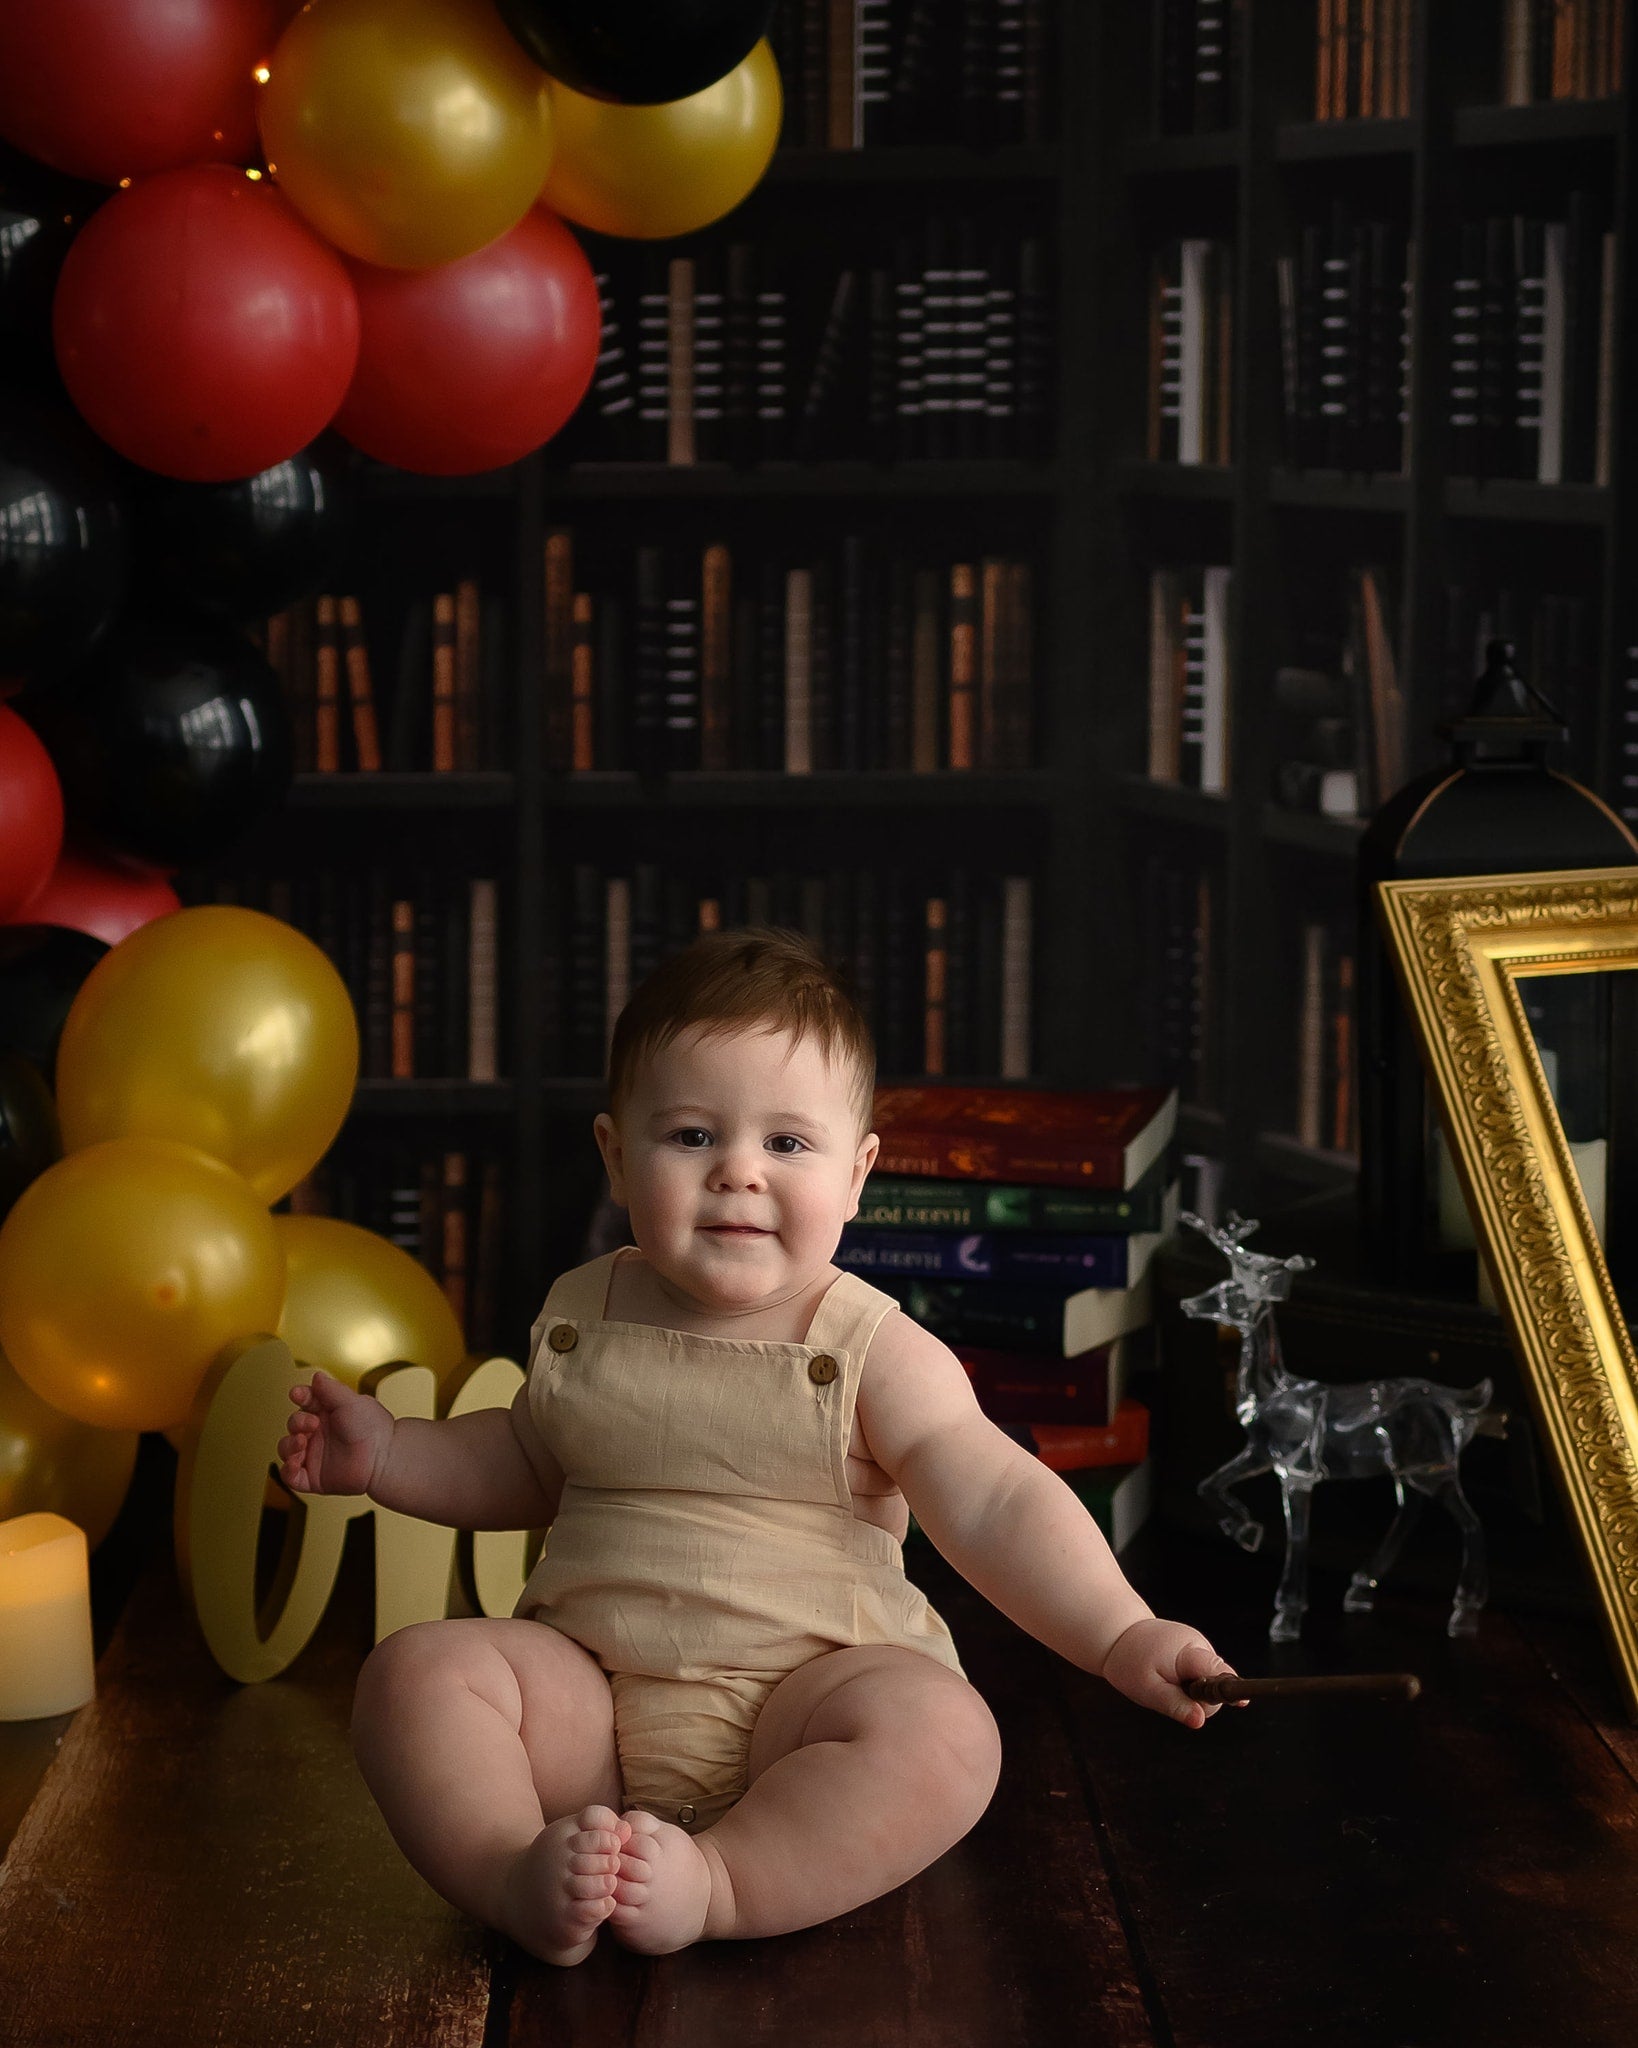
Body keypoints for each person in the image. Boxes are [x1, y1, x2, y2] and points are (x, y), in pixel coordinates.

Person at [278, 926, 1239, 1968]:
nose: (739, 1172)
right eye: (692, 1135)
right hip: (592, 1700)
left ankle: (726, 1882)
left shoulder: (875, 1347)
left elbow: (1000, 1500)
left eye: (787, 1143)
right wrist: (391, 1456)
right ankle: (515, 1866)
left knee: (948, 1735)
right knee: (415, 1673)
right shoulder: (584, 1309)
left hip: (806, 1706)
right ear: (614, 1152)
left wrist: (1118, 1631)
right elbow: (528, 1459)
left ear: (861, 1171)